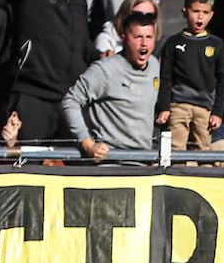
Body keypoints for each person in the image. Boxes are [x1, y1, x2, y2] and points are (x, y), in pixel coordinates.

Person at [8, 0, 99, 142]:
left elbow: (83, 44)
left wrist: (100, 57)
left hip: (72, 98)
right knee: (29, 165)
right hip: (34, 97)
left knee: (82, 165)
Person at [62, 11, 159, 159]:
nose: (144, 43)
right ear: (124, 38)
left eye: (149, 37)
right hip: (111, 163)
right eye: (138, 37)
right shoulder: (104, 70)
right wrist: (88, 144)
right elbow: (70, 100)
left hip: (143, 162)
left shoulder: (154, 65)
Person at [156, 0, 224, 152]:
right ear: (184, 12)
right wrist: (165, 107)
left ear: (211, 15)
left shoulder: (216, 45)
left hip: (205, 107)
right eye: (195, 11)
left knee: (203, 148)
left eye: (205, 12)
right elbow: (165, 77)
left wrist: (217, 112)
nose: (200, 16)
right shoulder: (173, 43)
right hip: (178, 105)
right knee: (176, 148)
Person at [93, 0, 160, 55]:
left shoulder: (160, 46)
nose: (142, 22)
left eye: (149, 17)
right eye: (137, 16)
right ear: (125, 14)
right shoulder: (106, 41)